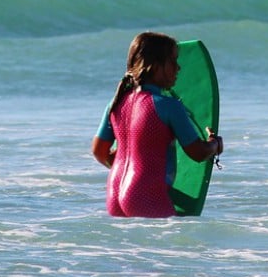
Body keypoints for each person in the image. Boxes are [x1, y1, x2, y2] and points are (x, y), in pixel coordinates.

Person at [91, 32, 224, 217]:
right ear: (154, 66)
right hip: (146, 196)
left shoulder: (116, 103)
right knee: (175, 246)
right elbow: (198, 153)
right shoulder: (168, 105)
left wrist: (134, 168)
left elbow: (99, 152)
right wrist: (215, 144)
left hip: (115, 192)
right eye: (173, 61)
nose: (178, 68)